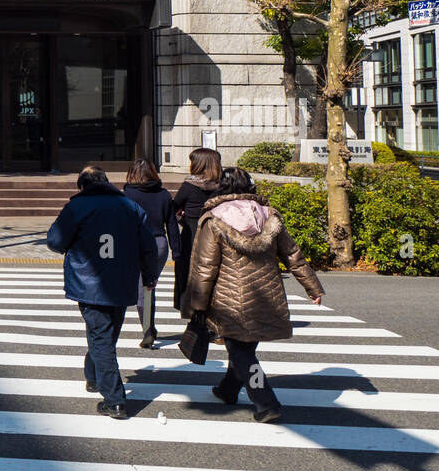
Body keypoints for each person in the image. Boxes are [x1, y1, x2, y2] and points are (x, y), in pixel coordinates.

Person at [186, 166, 324, 423]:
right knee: (243, 346)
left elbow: (205, 267)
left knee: (242, 351)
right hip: (266, 294)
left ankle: (266, 402)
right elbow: (292, 254)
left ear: (221, 187)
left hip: (229, 297)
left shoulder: (214, 219)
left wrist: (197, 303)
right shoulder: (270, 216)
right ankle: (227, 389)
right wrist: (312, 288)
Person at [47, 164, 158, 421]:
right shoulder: (131, 207)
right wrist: (149, 276)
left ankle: (115, 400)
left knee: (101, 338)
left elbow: (55, 241)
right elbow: (148, 247)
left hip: (88, 282)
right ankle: (93, 377)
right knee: (105, 335)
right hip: (122, 281)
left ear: (83, 185)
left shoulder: (77, 207)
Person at [122, 158, 181, 348]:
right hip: (158, 244)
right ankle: (150, 328)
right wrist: (176, 251)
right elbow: (171, 225)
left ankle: (148, 330)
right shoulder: (164, 195)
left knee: (141, 290)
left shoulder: (127, 195)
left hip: (134, 243)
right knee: (148, 287)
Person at [172, 146, 223, 317]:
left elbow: (173, 207)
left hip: (191, 234)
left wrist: (181, 217)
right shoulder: (222, 185)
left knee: (188, 273)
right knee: (214, 275)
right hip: (217, 235)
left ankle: (191, 312)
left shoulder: (189, 185)